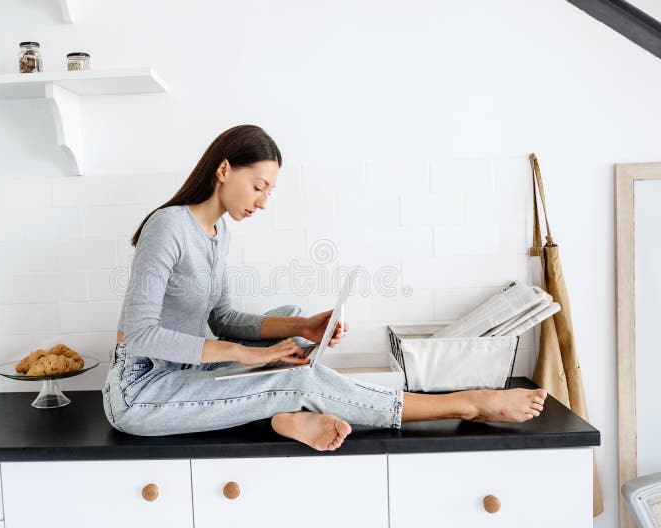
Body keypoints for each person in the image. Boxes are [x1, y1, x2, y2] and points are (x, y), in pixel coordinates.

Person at [103, 124, 547, 451]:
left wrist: (306, 325)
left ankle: (281, 416)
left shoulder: (218, 234)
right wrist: (247, 354)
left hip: (187, 371)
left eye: (269, 192)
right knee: (301, 379)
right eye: (259, 187)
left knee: (291, 325)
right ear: (223, 169)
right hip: (142, 390)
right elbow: (141, 334)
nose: (263, 201)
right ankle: (464, 404)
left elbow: (222, 319)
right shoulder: (169, 226)